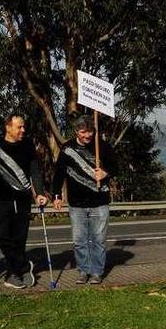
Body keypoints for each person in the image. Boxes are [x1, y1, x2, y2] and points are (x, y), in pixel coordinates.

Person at [0, 114, 48, 289]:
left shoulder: (28, 145)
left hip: (22, 199)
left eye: (24, 127)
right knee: (1, 234)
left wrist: (39, 193)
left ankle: (12, 274)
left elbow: (35, 172)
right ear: (8, 127)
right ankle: (23, 265)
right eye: (19, 127)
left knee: (19, 239)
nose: (23, 130)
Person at [52, 116, 117, 284]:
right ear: (76, 132)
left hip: (99, 202)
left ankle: (97, 272)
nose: (87, 135)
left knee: (98, 240)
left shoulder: (102, 146)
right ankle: (83, 270)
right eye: (83, 132)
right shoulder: (67, 149)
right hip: (76, 204)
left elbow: (116, 166)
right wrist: (57, 195)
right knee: (79, 240)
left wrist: (105, 172)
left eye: (90, 131)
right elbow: (59, 173)